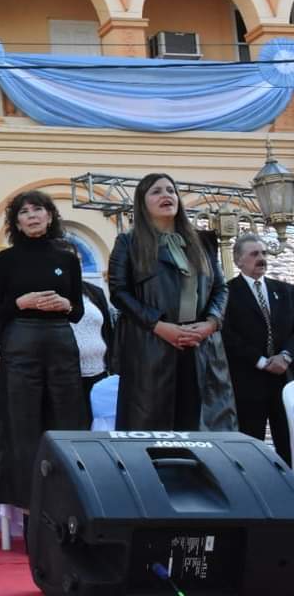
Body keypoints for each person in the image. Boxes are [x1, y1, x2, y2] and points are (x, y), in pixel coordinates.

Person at [109, 173, 236, 432]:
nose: (166, 195)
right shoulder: (128, 242)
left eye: (171, 190)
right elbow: (119, 293)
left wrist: (211, 323)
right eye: (156, 191)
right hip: (153, 347)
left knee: (205, 428)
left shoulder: (202, 243)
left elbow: (220, 288)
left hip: (201, 345)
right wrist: (158, 325)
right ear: (142, 203)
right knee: (155, 430)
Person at [0, 191, 85, 518]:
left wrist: (66, 304)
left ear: (49, 216)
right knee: (22, 422)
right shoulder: (4, 260)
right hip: (21, 342)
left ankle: (68, 500)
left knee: (66, 417)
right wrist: (20, 303)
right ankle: (28, 505)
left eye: (38, 209)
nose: (32, 216)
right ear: (16, 222)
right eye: (24, 212)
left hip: (61, 341)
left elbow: (78, 311)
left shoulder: (67, 258)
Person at [221, 233, 292, 466]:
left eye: (263, 253)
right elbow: (227, 336)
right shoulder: (226, 294)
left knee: (289, 445)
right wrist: (262, 361)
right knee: (250, 450)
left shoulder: (286, 291)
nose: (261, 258)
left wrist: (285, 356)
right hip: (248, 382)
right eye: (254, 254)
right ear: (238, 260)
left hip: (285, 380)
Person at [59, 242, 114, 425]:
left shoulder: (95, 292)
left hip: (99, 372)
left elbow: (107, 331)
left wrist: (112, 366)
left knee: (98, 424)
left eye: (79, 260)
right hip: (65, 376)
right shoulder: (48, 294)